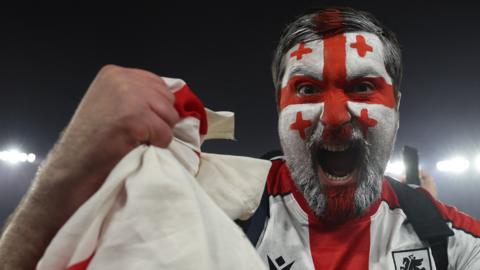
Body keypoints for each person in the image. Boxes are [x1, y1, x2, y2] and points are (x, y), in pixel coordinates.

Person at [0, 6, 478, 270]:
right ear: (279, 109)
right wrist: (69, 168)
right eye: (307, 89)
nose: (334, 118)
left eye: (362, 87)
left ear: (396, 107)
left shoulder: (449, 241)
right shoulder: (200, 208)